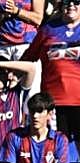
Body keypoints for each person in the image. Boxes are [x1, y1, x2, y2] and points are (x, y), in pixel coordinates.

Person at [22, 0, 80, 141]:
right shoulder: (48, 29)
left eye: (76, 1)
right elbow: (29, 57)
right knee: (57, 145)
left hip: (78, 99)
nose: (71, 5)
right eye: (67, 1)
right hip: (53, 101)